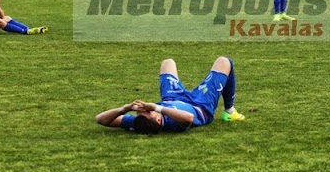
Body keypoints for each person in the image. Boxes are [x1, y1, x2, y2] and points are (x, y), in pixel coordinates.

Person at [96, 56, 245, 134]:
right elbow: (189, 118)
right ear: (159, 120)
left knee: (168, 63)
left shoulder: (138, 123)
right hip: (200, 104)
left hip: (172, 98)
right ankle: (229, 111)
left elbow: (100, 119)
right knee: (224, 62)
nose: (143, 109)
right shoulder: (172, 124)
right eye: (149, 112)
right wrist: (156, 107)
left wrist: (125, 108)